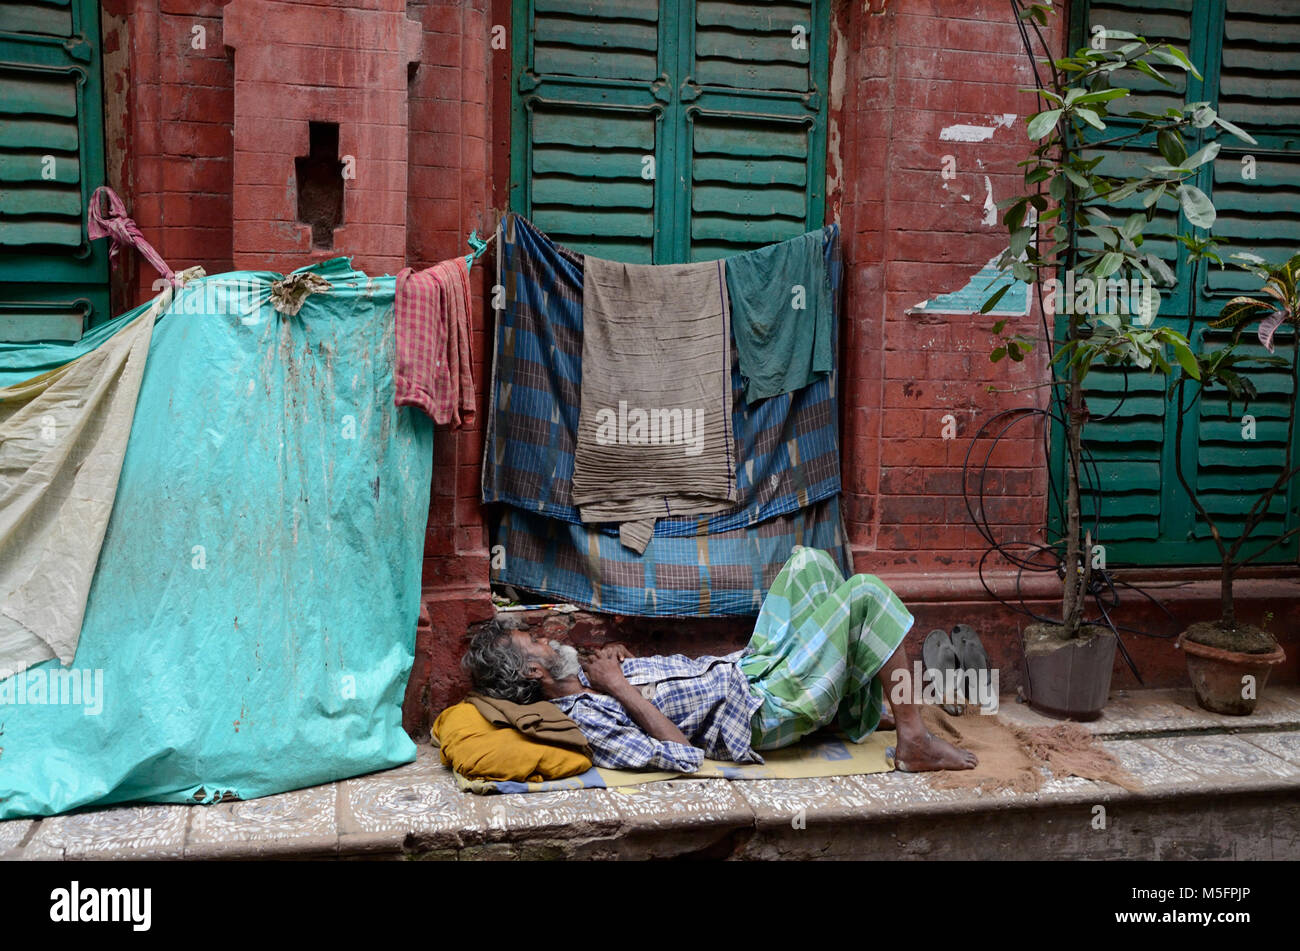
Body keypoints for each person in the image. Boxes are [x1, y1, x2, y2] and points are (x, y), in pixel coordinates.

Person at [461, 546, 977, 773]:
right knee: (866, 592)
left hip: (750, 666)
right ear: (532, 673)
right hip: (764, 708)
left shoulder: (587, 675)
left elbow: (655, 684)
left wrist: (621, 669)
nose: (546, 639)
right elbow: (685, 757)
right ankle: (913, 739)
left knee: (810, 563)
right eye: (536, 643)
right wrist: (619, 685)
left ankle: (847, 703)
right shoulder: (584, 718)